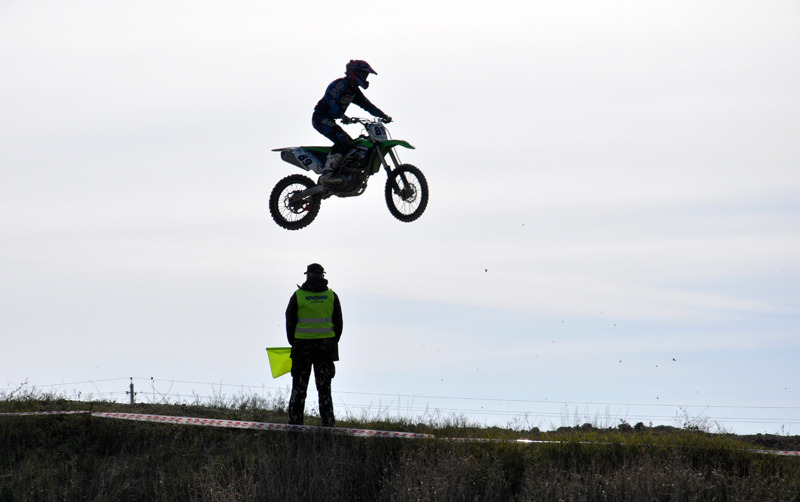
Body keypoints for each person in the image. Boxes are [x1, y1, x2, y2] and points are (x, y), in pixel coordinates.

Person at [312, 60, 392, 185]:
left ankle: (342, 173)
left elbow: (367, 105)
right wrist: (341, 115)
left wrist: (383, 115)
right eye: (363, 74)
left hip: (330, 119)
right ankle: (327, 174)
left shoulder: (354, 91)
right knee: (342, 139)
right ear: (354, 73)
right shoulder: (340, 84)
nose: (365, 78)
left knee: (351, 145)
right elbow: (330, 100)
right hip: (320, 117)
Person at [285, 263, 343, 427]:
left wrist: (295, 343)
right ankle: (328, 425)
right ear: (323, 276)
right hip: (325, 350)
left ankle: (295, 425)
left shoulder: (298, 296)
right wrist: (330, 342)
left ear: (307, 276)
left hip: (302, 350)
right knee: (324, 390)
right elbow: (338, 324)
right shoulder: (331, 296)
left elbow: (290, 321)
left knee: (298, 389)